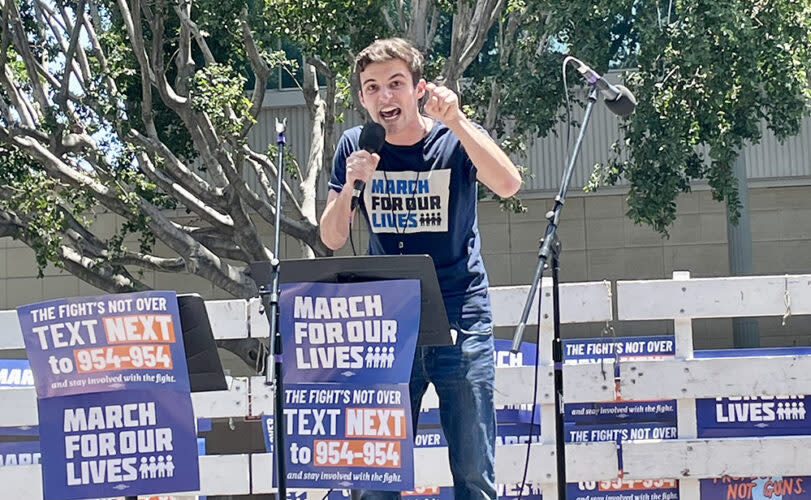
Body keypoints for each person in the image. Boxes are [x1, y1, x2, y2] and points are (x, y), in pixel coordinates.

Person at [320, 37, 522, 500]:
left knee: (473, 469)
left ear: (418, 89)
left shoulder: (453, 137)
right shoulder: (355, 145)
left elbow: (509, 184)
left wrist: (457, 120)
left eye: (395, 84)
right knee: (375, 476)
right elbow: (331, 237)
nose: (384, 96)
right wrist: (353, 184)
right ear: (362, 98)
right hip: (388, 319)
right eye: (372, 88)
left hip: (460, 312)